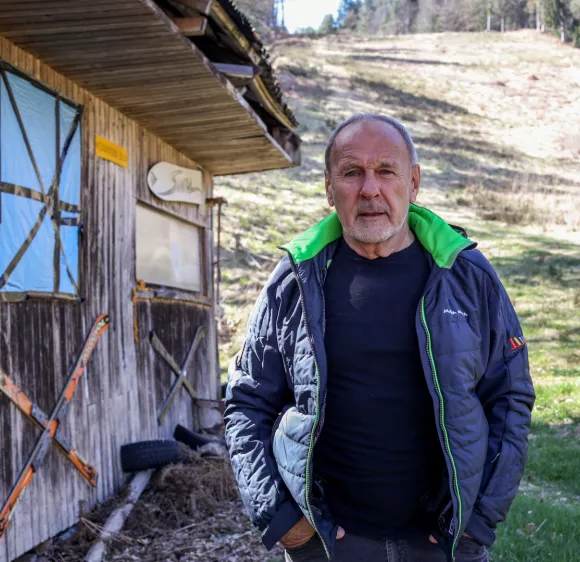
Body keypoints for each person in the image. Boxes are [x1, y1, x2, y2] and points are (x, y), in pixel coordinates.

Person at [224, 113, 535, 562]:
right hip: (328, 543)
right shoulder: (296, 278)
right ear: (330, 189)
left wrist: (476, 523)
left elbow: (510, 397)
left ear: (413, 182)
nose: (370, 189)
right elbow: (247, 402)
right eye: (352, 173)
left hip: (443, 542)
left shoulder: (465, 275)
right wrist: (283, 523)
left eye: (386, 171)